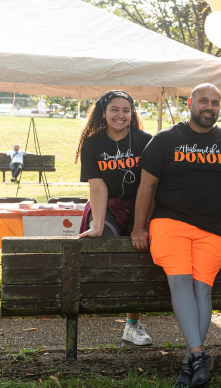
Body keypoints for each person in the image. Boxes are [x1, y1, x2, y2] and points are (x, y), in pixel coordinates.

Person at [131, 83, 221, 388]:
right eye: (203, 101)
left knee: (202, 290)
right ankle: (198, 353)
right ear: (191, 103)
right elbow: (146, 187)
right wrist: (139, 226)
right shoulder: (166, 140)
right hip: (170, 223)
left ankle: (190, 360)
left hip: (213, 229)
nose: (209, 107)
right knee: (180, 281)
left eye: (215, 102)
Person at [75, 90, 153, 347]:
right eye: (115, 110)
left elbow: (151, 186)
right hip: (107, 206)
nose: (121, 115)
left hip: (141, 205)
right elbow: (97, 187)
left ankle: (132, 326)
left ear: (133, 114)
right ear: (103, 113)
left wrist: (143, 225)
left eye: (126, 110)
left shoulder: (146, 141)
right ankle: (104, 304)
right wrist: (97, 225)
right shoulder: (92, 143)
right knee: (105, 246)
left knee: (140, 258)